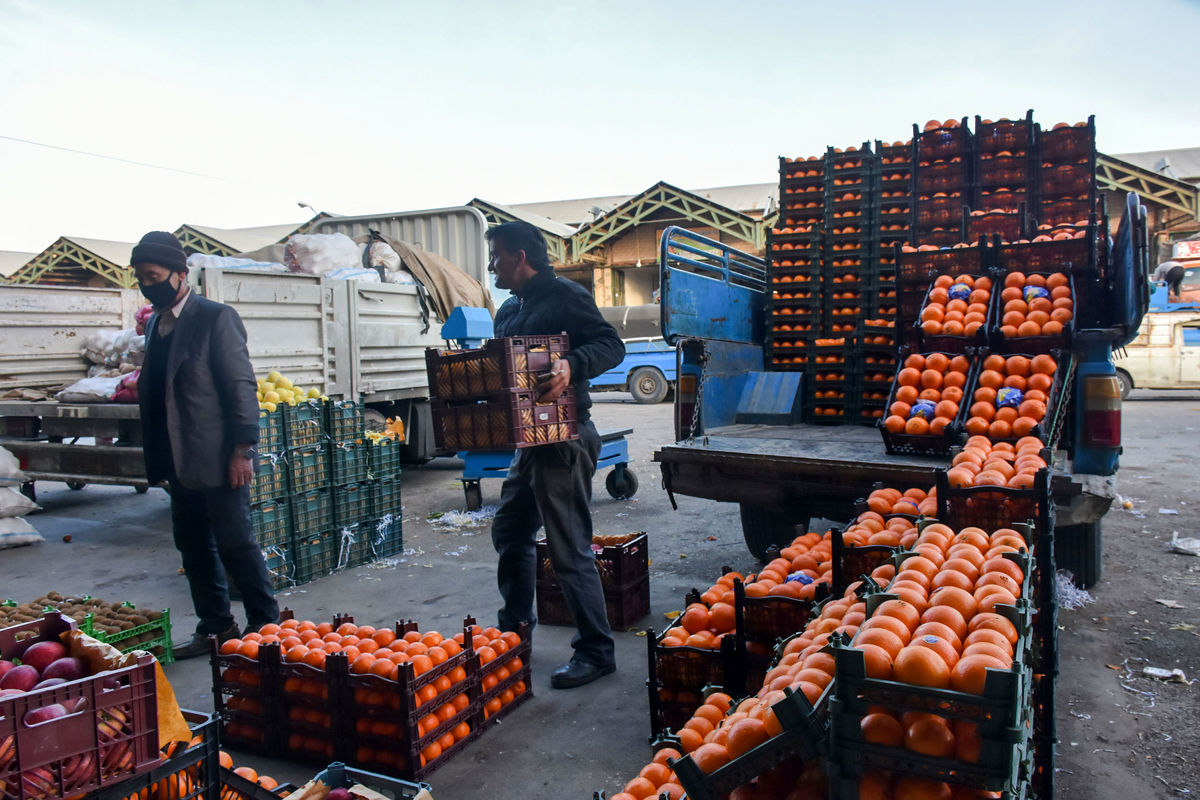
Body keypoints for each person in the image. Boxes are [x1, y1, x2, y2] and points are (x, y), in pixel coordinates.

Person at [486, 221, 625, 689]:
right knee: (510, 528)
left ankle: (596, 651)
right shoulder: (509, 308)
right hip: (529, 441)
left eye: (498, 256)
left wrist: (571, 364)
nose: (492, 266)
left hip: (565, 439)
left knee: (567, 548)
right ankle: (513, 632)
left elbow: (611, 344)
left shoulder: (565, 295)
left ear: (521, 256)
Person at [132, 231, 279, 659]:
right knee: (193, 546)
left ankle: (266, 623)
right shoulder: (155, 324)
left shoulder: (215, 317)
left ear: (180, 274)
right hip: (178, 459)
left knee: (236, 542)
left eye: (154, 275)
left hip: (218, 454)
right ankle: (215, 625)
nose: (147, 284)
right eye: (141, 277)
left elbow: (240, 385)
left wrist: (241, 450)